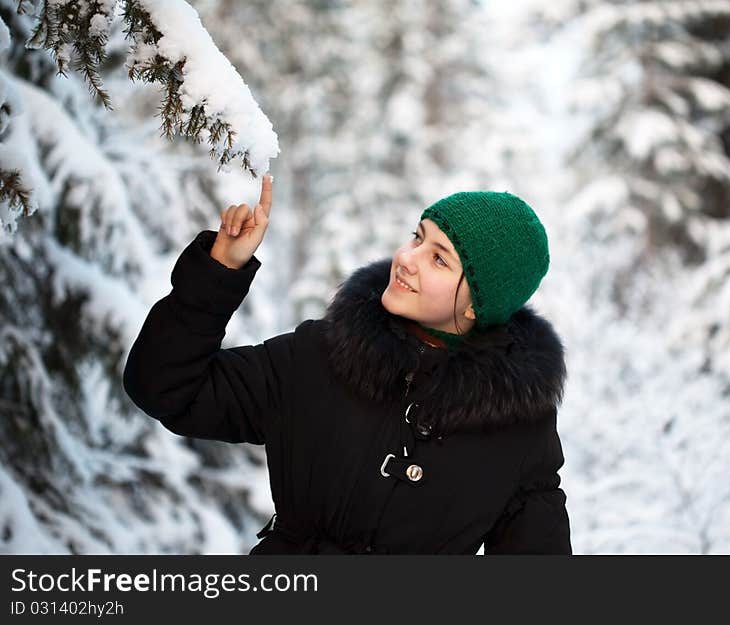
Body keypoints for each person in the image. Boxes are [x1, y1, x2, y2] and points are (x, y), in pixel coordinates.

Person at [122, 175, 572, 554]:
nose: (406, 260)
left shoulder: (517, 424)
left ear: (479, 304)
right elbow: (166, 387)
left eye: (438, 258)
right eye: (418, 237)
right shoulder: (323, 353)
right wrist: (218, 272)